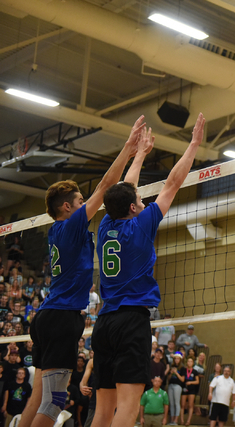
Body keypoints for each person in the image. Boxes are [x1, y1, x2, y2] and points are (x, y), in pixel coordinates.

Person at [19, 115, 147, 427]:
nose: (84, 204)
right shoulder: (71, 225)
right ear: (67, 207)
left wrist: (140, 156)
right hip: (62, 317)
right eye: (79, 201)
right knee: (53, 404)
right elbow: (107, 187)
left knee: (38, 398)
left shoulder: (56, 232)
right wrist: (128, 148)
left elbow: (121, 192)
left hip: (46, 317)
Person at [91, 113, 206, 427]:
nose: (142, 201)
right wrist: (194, 144)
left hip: (103, 324)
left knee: (102, 412)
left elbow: (125, 190)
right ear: (133, 208)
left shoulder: (104, 226)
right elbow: (172, 183)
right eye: (140, 200)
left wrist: (140, 154)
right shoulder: (141, 226)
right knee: (127, 410)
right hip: (131, 322)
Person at [167, 353, 185, 426]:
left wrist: (176, 373)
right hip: (171, 385)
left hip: (178, 386)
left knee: (176, 403)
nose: (176, 360)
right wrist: (171, 373)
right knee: (171, 403)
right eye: (175, 358)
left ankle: (176, 420)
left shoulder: (182, 368)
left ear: (180, 360)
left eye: (178, 358)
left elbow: (182, 379)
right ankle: (171, 420)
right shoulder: (172, 366)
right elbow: (168, 379)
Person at [180, 358, 200, 426]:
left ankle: (188, 421)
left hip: (192, 389)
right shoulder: (184, 370)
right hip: (184, 388)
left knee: (190, 405)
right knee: (182, 405)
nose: (189, 362)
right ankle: (182, 420)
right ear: (187, 362)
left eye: (191, 361)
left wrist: (191, 382)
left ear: (193, 363)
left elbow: (197, 381)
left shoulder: (195, 371)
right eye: (188, 361)